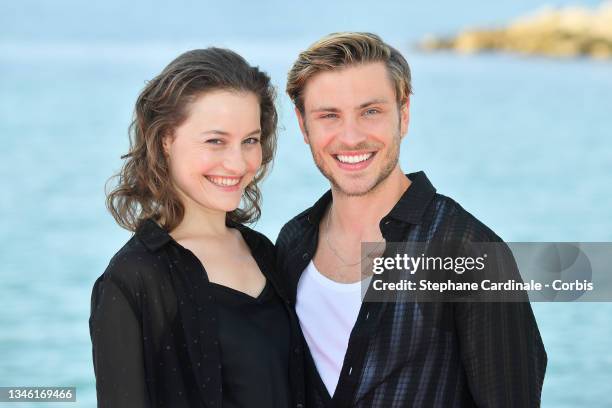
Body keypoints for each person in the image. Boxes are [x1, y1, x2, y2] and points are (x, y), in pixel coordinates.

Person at [276, 32, 547, 407]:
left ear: (403, 115)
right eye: (329, 116)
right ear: (304, 127)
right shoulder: (292, 241)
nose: (351, 137)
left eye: (371, 111)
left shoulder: (471, 252)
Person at [90, 48, 304, 408]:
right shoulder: (132, 280)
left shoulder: (265, 252)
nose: (237, 163)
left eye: (250, 140)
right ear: (165, 139)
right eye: (215, 141)